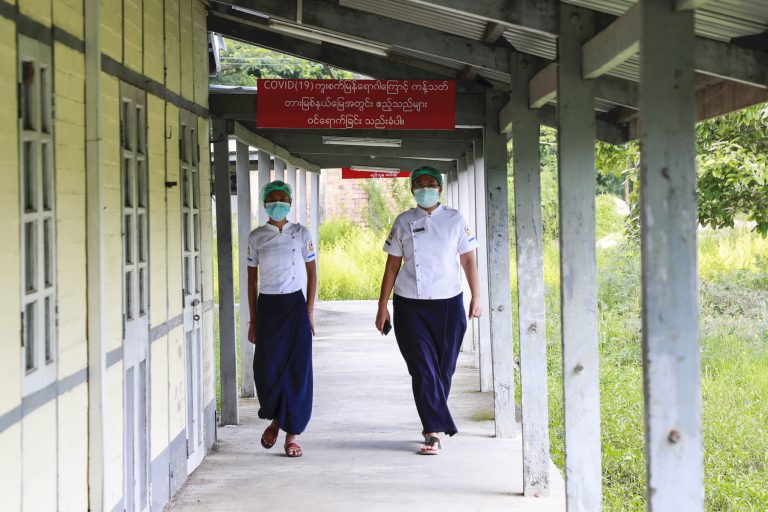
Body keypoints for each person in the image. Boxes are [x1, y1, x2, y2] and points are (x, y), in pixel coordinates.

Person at [375, 166, 483, 455]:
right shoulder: (403, 222)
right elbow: (392, 266)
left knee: (443, 369)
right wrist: (382, 305)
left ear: (440, 189)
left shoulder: (455, 220)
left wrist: (477, 296)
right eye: (419, 184)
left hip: (448, 303)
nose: (425, 188)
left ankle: (432, 419)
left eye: (431, 184)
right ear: (412, 190)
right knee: (423, 369)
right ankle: (432, 431)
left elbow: (469, 261)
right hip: (410, 303)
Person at [247, 180, 317, 458]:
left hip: (294, 306)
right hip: (268, 307)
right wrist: (253, 320)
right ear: (265, 204)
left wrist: (309, 312)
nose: (277, 203)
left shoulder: (300, 233)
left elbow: (312, 273)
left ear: (289, 203)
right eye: (272, 199)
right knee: (267, 369)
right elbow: (251, 281)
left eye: (282, 199)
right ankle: (276, 417)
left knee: (298, 370)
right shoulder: (256, 237)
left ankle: (290, 434)